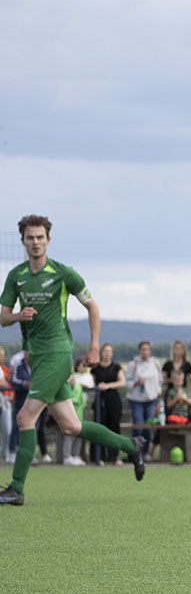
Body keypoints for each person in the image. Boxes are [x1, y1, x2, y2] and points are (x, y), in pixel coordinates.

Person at [0, 215, 143, 505]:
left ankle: (16, 489)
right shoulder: (16, 276)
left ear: (48, 240)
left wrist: (94, 346)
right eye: (30, 238)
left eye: (40, 237)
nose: (35, 242)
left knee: (25, 417)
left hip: (57, 354)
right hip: (36, 357)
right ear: (23, 241)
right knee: (71, 426)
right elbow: (3, 317)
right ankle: (132, 447)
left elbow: (92, 306)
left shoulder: (64, 273)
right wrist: (18, 316)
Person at [125, 340, 163, 459]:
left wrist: (157, 392)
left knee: (148, 427)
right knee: (138, 427)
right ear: (139, 351)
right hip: (136, 400)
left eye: (147, 349)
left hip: (151, 400)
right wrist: (136, 383)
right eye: (143, 349)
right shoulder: (134, 364)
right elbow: (127, 382)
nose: (145, 352)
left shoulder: (155, 363)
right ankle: (135, 452)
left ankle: (145, 452)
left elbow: (159, 380)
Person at [91, 344, 127, 465]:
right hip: (100, 400)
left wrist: (108, 386)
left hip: (113, 400)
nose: (107, 353)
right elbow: (91, 382)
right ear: (101, 353)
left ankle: (115, 456)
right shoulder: (95, 368)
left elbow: (122, 382)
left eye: (110, 351)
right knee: (100, 428)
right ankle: (99, 456)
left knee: (114, 427)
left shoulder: (116, 367)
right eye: (105, 351)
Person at [0, 347, 12, 463]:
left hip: (4, 401)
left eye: (3, 355)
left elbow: (7, 384)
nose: (2, 358)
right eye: (0, 355)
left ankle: (5, 454)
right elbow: (3, 382)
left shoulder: (4, 369)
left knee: (7, 429)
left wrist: (11, 394)